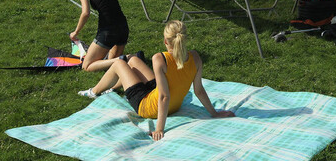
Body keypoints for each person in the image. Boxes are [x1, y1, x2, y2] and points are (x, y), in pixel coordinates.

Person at [78, 20, 235, 141]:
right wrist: (214, 113)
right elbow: (199, 90)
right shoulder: (195, 56)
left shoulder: (160, 58)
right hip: (171, 103)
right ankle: (111, 88)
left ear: (166, 41)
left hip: (148, 106)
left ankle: (94, 91)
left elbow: (164, 96)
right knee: (132, 59)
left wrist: (159, 128)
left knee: (119, 63)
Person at [69, 0, 129, 71]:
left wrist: (76, 32)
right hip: (123, 27)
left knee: (86, 66)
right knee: (112, 63)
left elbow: (85, 13)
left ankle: (127, 58)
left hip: (108, 30)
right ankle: (126, 58)